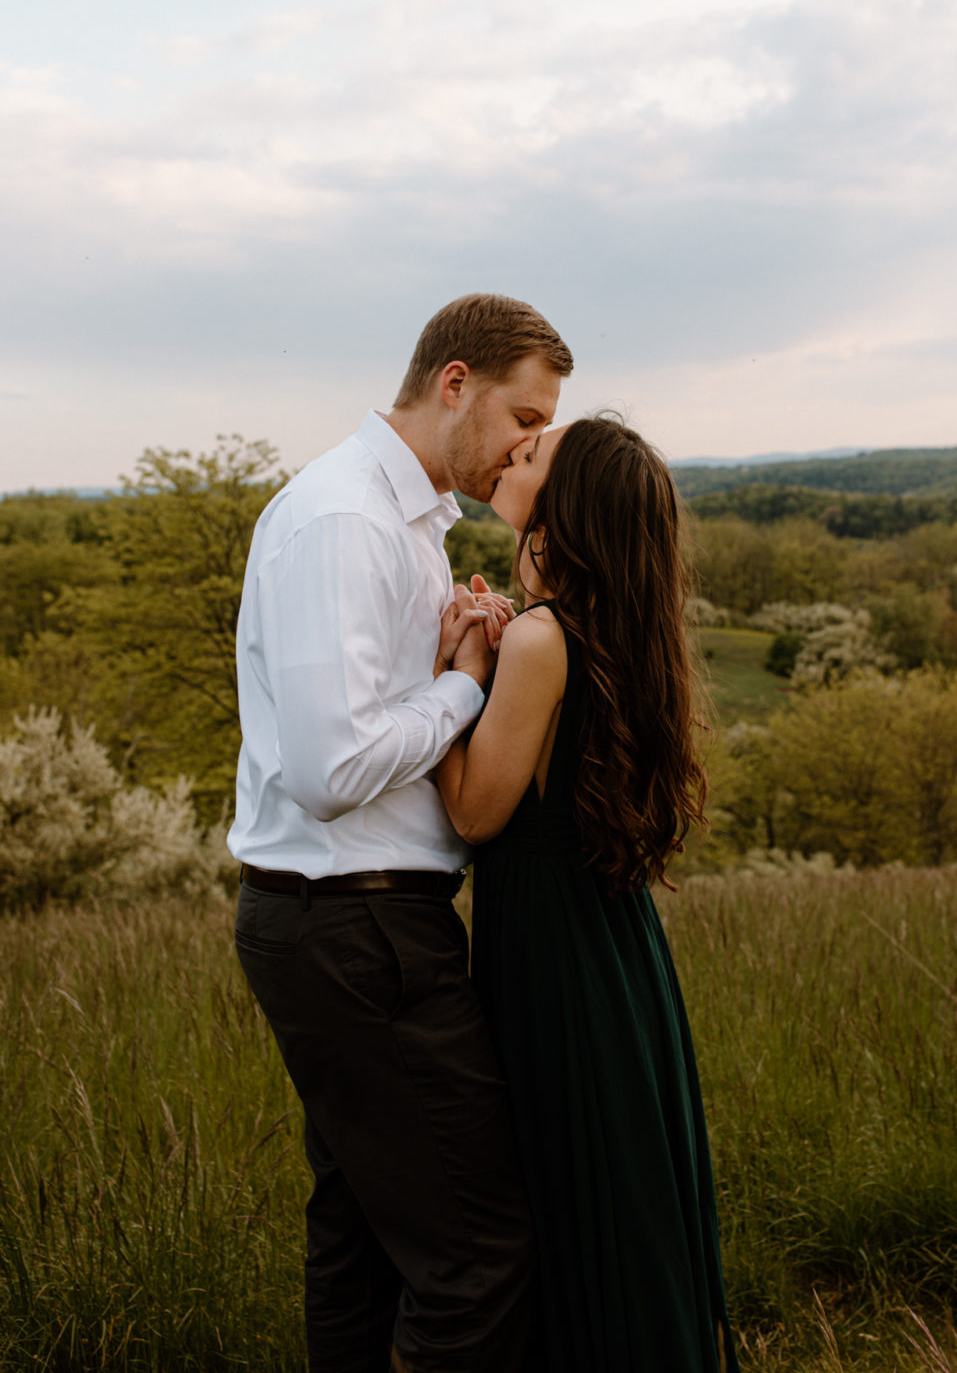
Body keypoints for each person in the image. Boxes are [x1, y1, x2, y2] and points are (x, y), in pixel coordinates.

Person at [227, 292, 573, 1373]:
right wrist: (467, 685)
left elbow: (365, 722)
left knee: (362, 1241)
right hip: (355, 929)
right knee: (479, 1251)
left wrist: (444, 662)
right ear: (453, 383)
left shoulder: (409, 524)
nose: (529, 443)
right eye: (522, 414)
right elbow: (330, 772)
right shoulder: (345, 519)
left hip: (351, 921)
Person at [436, 415, 742, 1373]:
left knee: (572, 1190)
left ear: (567, 511)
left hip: (556, 962)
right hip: (620, 950)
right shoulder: (620, 631)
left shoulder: (536, 642)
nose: (516, 451)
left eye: (536, 454)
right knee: (624, 1185)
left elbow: (477, 815)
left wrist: (456, 676)